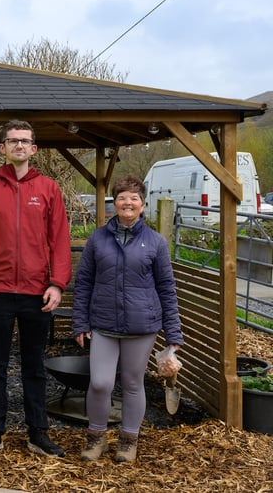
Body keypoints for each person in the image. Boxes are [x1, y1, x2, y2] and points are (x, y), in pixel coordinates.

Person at [0, 119, 71, 459]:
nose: (19, 146)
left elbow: (60, 241)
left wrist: (57, 284)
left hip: (36, 292)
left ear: (34, 149)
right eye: (13, 141)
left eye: (25, 141)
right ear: (3, 148)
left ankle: (37, 432)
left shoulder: (49, 189)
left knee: (34, 366)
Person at [72, 174, 183, 463]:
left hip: (141, 326)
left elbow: (166, 288)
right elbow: (83, 282)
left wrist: (174, 334)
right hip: (104, 325)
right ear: (115, 203)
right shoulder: (98, 238)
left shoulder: (156, 243)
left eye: (134, 198)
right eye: (122, 197)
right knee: (100, 383)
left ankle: (128, 441)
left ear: (143, 205)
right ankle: (96, 439)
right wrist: (80, 323)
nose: (128, 202)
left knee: (133, 383)